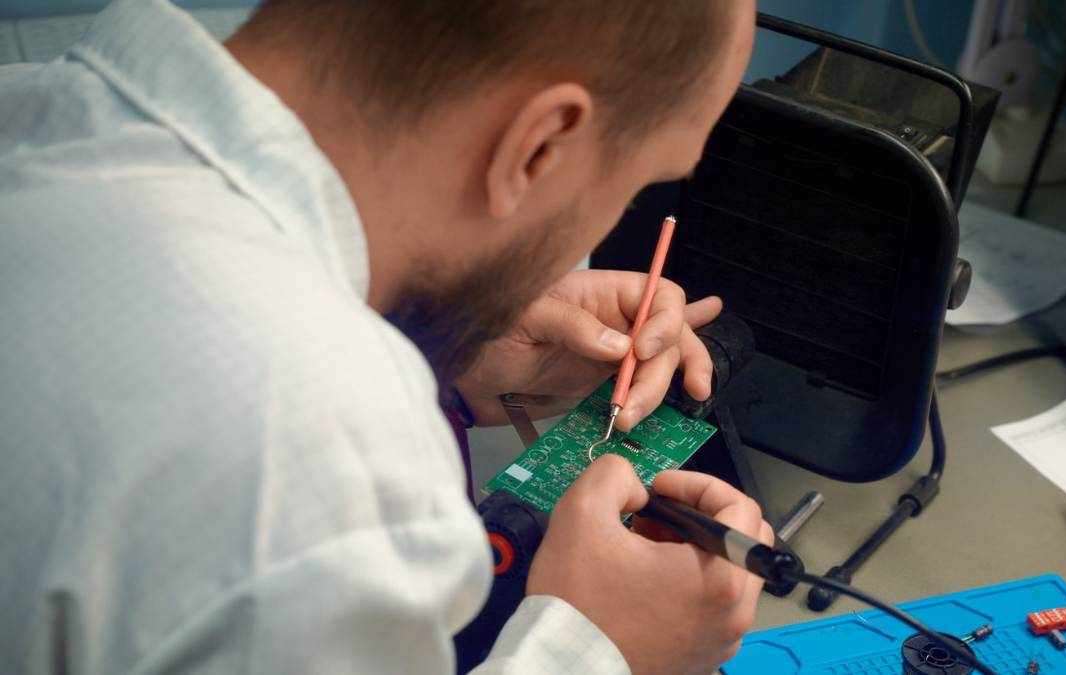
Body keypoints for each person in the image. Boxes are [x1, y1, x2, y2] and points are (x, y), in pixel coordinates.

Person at [0, 0, 768, 673]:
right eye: (634, 185)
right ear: (539, 145)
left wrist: (445, 353)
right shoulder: (326, 451)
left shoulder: (29, 108)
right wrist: (601, 648)